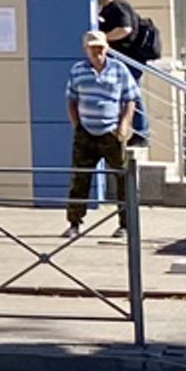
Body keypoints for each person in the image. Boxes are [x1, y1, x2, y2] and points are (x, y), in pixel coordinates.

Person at [62, 29, 139, 234]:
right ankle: (74, 223)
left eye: (101, 48)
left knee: (122, 178)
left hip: (111, 131)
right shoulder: (77, 70)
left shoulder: (119, 69)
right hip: (85, 132)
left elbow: (130, 99)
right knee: (80, 178)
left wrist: (123, 125)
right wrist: (77, 125)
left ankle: (125, 225)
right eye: (93, 48)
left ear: (107, 48)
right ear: (85, 49)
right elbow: (71, 99)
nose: (97, 52)